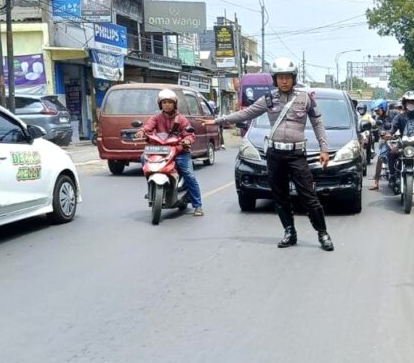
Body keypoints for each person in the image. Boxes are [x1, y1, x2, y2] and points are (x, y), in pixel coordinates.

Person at [208, 58, 334, 251]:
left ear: (293, 78)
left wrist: (324, 149)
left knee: (308, 196)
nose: (284, 81)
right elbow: (246, 114)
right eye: (280, 77)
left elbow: (318, 123)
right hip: (275, 154)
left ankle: (322, 233)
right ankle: (289, 232)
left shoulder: (305, 98)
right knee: (280, 196)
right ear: (275, 80)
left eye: (287, 77)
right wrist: (219, 120)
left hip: (297, 154)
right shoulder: (268, 99)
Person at [138, 88, 203, 217]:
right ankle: (151, 185)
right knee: (143, 158)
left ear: (174, 104)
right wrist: (142, 132)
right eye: (164, 102)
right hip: (161, 150)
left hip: (179, 151)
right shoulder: (156, 117)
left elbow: (190, 134)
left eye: (169, 102)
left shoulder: (181, 119)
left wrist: (187, 141)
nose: (166, 104)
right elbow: (147, 127)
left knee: (189, 175)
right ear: (160, 104)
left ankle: (198, 205)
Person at [370, 101, 393, 191]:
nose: (376, 112)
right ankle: (376, 182)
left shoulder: (394, 114)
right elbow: (380, 131)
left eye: (377, 110)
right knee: (380, 158)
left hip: (399, 139)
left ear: (383, 107)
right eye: (375, 111)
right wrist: (383, 133)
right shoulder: (379, 119)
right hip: (388, 141)